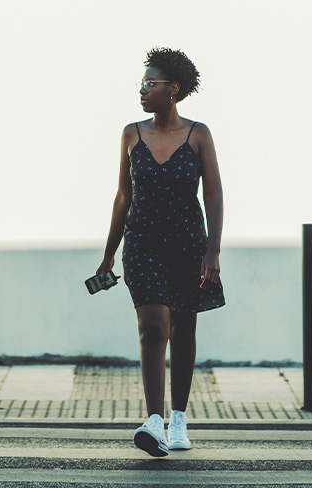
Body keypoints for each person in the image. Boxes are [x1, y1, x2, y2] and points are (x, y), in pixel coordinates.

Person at [97, 47, 225, 457]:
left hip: (189, 246)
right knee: (154, 326)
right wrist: (108, 254)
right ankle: (153, 421)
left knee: (184, 331)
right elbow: (122, 196)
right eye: (142, 83)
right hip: (143, 244)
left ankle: (179, 419)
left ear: (173, 89)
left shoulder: (198, 134)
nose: (142, 89)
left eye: (149, 83)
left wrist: (212, 252)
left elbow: (215, 195)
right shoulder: (131, 134)